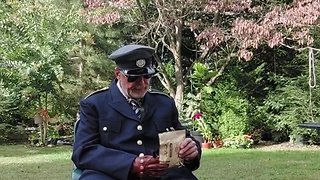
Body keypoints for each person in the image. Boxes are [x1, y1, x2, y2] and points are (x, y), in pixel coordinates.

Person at [71, 44, 202, 180]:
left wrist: (192, 150)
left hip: (160, 174)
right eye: (133, 77)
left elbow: (182, 138)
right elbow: (84, 151)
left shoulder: (164, 103)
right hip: (111, 174)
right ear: (118, 74)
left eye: (146, 76)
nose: (141, 84)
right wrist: (130, 164)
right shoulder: (95, 104)